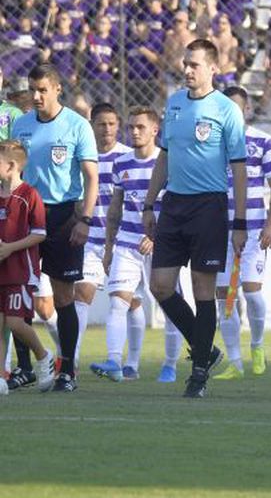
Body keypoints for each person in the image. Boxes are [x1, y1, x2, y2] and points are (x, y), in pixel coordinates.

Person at [143, 40, 248, 398]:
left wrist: (240, 222)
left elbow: (239, 168)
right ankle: (206, 349)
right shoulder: (173, 104)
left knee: (204, 292)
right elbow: (164, 157)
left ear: (212, 68)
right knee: (160, 286)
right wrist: (148, 202)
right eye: (185, 64)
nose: (188, 70)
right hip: (173, 205)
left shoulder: (226, 109)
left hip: (209, 207)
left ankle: (199, 373)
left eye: (195, 65)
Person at [10, 65, 98, 391]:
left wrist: (85, 219)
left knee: (63, 297)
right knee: (19, 295)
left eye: (42, 89)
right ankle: (24, 368)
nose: (36, 96)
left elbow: (91, 178)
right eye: (33, 89)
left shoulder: (77, 125)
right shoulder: (21, 125)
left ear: (57, 89)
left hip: (63, 218)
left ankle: (67, 371)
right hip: (24, 215)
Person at [212, 87, 271, 380]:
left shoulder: (263, 141)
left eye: (237, 108)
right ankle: (236, 363)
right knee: (224, 296)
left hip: (253, 229)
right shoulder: (214, 143)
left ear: (247, 109)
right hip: (219, 230)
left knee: (252, 293)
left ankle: (257, 345)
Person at [88, 107, 159, 382]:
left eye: (141, 127)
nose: (135, 132)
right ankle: (117, 363)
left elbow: (173, 205)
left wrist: (155, 237)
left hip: (160, 245)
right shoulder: (122, 163)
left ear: (155, 129)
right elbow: (115, 211)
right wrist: (109, 248)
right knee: (120, 303)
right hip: (127, 244)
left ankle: (170, 365)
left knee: (167, 304)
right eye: (132, 127)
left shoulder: (165, 163)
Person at [76, 103, 130, 371]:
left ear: (118, 125)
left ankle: (130, 363)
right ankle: (71, 362)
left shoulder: (127, 157)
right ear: (92, 125)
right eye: (101, 123)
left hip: (123, 241)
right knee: (82, 294)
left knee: (131, 303)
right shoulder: (84, 158)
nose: (106, 129)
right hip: (91, 239)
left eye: (111, 123)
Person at [0, 141, 57, 395]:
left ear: (11, 166)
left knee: (14, 322)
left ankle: (44, 357)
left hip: (21, 270)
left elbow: (40, 233)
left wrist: (11, 247)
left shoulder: (29, 195)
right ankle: (1, 376)